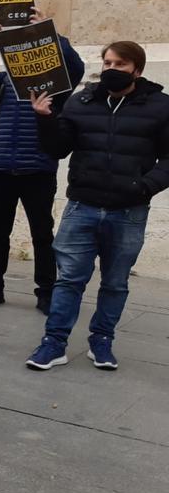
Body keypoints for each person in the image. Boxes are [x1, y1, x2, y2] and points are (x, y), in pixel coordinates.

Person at [25, 41, 169, 371]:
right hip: (82, 207)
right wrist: (44, 119)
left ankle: (102, 341)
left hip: (129, 211)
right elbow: (58, 148)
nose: (111, 70)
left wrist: (144, 186)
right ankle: (53, 343)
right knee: (69, 280)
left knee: (115, 282)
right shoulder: (81, 102)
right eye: (107, 63)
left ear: (138, 69)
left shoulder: (161, 107)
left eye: (120, 64)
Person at [0, 10, 85, 313]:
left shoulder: (57, 86)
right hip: (1, 168)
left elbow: (77, 66)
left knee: (42, 234)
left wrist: (49, 32)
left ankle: (45, 292)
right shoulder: (2, 83)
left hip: (39, 170)